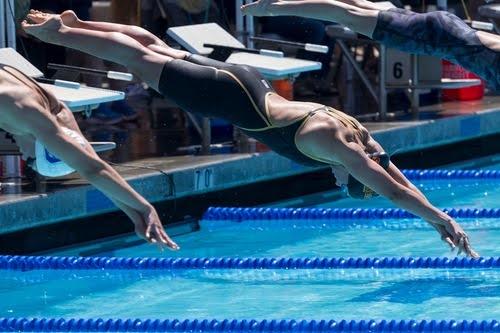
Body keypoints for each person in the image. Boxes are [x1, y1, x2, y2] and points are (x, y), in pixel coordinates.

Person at [22, 10, 478, 257]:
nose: (337, 182)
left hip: (247, 82)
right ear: (349, 173)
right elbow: (393, 191)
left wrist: (441, 216)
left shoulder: (361, 140)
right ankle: (64, 35)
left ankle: (78, 24)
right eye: (344, 182)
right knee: (139, 60)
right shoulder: (338, 149)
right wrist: (439, 219)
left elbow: (395, 178)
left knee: (152, 47)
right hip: (226, 98)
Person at [0, 64, 179, 251]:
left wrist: (135, 216)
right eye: (30, 161)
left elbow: (95, 170)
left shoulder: (50, 113)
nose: (22, 155)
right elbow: (94, 170)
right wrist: (145, 208)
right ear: (43, 146)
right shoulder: (30, 114)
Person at [241, 0, 499, 91]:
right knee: (346, 15)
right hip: (431, 38)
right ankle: (272, 7)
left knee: (360, 5)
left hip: (445, 26)